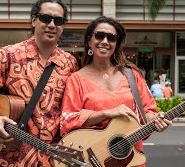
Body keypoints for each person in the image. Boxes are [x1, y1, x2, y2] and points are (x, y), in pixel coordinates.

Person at [0, 0, 78, 167]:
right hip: (16, 157)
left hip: (55, 157)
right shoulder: (9, 54)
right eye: (45, 18)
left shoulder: (70, 62)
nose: (51, 25)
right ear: (33, 20)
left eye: (58, 20)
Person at [60, 16, 171, 167]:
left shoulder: (132, 75)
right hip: (93, 160)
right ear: (88, 41)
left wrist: (156, 120)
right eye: (99, 36)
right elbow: (68, 120)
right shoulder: (76, 79)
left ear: (116, 44)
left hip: (131, 160)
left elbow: (148, 111)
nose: (105, 41)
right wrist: (107, 112)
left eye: (111, 38)